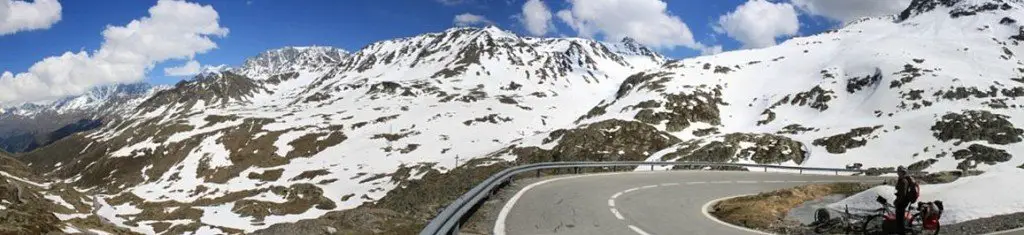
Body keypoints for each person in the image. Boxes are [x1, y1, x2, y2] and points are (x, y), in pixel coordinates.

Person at [893, 165, 916, 234]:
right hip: (902, 201)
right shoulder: (902, 179)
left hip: (902, 202)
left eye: (899, 171)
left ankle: (902, 232)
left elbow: (903, 194)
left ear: (902, 172)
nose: (897, 173)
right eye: (897, 171)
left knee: (899, 220)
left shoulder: (903, 181)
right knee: (900, 218)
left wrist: (897, 202)